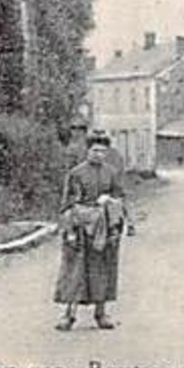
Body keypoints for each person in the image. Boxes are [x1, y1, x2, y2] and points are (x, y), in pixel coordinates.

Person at [53, 132, 132, 330]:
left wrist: (112, 205)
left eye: (103, 151)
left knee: (103, 270)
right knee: (75, 271)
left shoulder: (111, 173)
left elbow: (120, 197)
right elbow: (68, 203)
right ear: (87, 151)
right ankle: (68, 316)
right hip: (80, 227)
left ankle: (101, 314)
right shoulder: (76, 173)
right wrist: (69, 229)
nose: (99, 155)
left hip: (104, 228)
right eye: (95, 150)